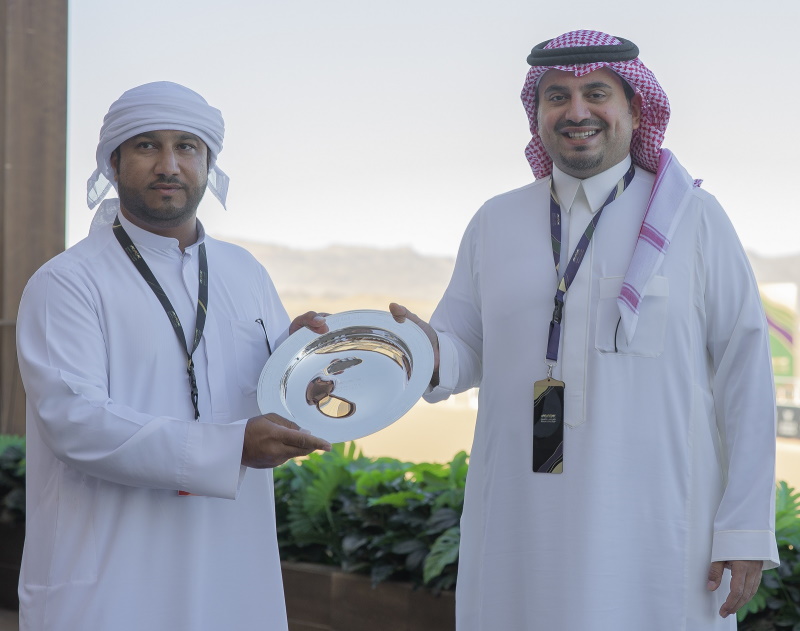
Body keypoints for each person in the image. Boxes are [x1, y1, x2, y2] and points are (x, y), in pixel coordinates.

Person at [391, 30, 778, 630]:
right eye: (557, 97)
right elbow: (463, 344)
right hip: (522, 520)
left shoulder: (693, 218)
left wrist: (746, 528)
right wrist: (418, 350)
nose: (576, 112)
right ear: (537, 114)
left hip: (661, 529)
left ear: (635, 109)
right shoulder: (496, 221)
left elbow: (745, 375)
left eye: (596, 93)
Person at [15, 81, 331, 631]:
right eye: (146, 146)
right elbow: (75, 423)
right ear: (114, 162)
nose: (169, 165)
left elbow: (266, 398)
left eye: (187, 146)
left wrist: (303, 372)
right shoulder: (67, 282)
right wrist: (232, 446)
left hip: (232, 565)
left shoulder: (245, 273)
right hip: (113, 576)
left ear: (208, 163)